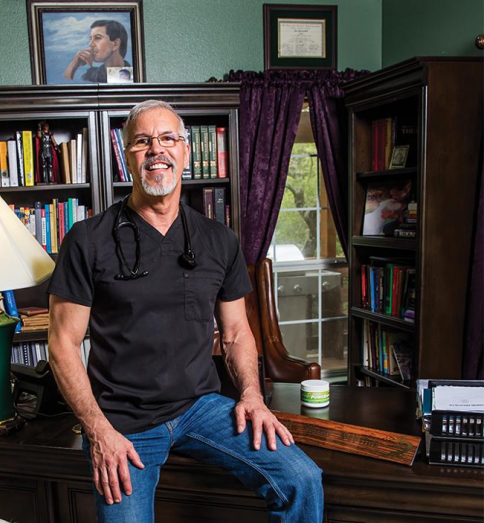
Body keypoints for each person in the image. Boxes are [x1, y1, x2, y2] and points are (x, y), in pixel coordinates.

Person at [47, 100, 324, 523]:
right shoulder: (87, 239)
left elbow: (236, 333)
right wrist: (98, 430)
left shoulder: (218, 239)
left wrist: (252, 396)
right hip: (123, 421)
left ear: (186, 151)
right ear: (127, 156)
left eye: (167, 138)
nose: (156, 149)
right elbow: (62, 345)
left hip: (201, 408)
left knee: (302, 479)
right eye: (142, 141)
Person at [63, 20, 130, 83]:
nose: (90, 44)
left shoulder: (131, 75)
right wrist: (74, 64)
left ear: (115, 44)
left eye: (97, 38)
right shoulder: (90, 75)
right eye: (91, 39)